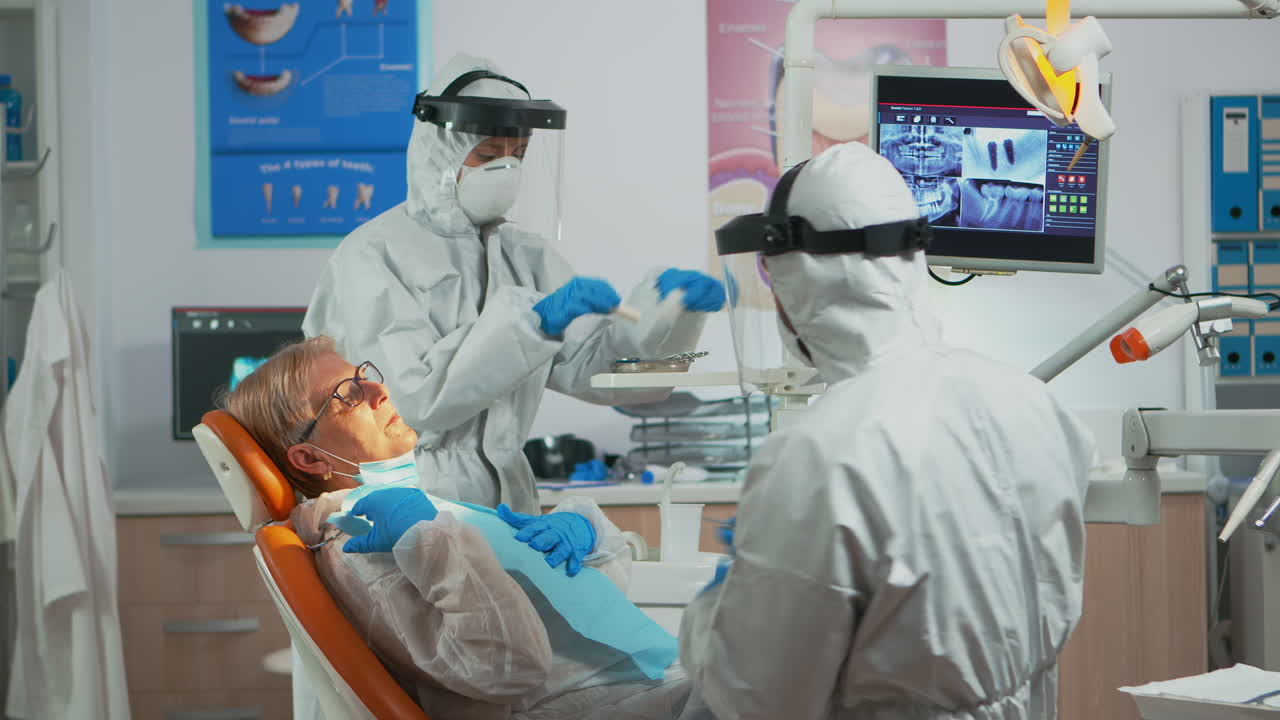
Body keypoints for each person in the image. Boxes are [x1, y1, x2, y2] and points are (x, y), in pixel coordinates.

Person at [680, 141, 1096, 720]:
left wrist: (711, 616)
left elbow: (757, 697)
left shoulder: (818, 451)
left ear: (800, 277)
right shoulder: (1032, 402)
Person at [304, 53, 725, 514]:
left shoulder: (525, 256)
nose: (506, 170)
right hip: (406, 500)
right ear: (439, 154)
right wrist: (531, 324)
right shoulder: (374, 255)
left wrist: (672, 319)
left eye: (518, 154)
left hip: (508, 499)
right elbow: (415, 400)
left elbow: (610, 379)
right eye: (487, 155)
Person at [219, 336, 712, 720]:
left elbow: (560, 610)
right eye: (348, 394)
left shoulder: (411, 509)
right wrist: (426, 537)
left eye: (365, 376)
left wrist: (585, 533)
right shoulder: (365, 539)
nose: (379, 389)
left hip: (638, 686)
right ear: (308, 456)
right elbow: (503, 669)